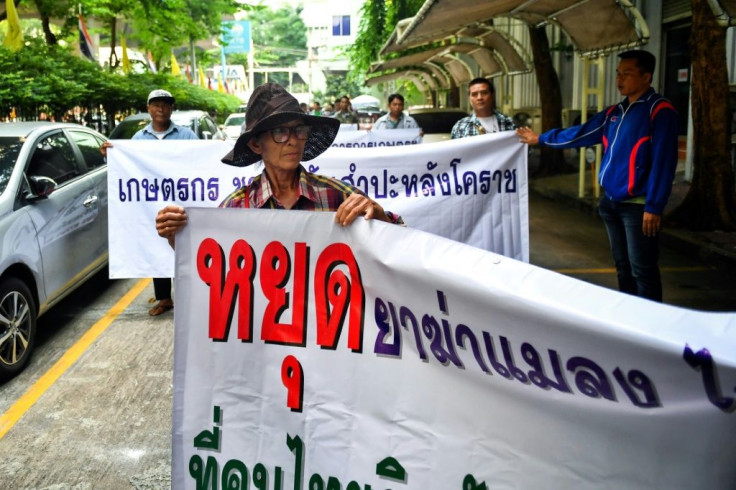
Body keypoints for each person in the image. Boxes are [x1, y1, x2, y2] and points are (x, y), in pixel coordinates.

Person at [155, 82, 403, 251]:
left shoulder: (337, 194)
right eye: (280, 132)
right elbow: (208, 263)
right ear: (255, 144)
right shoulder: (235, 208)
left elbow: (400, 238)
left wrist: (378, 215)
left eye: (299, 130)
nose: (293, 140)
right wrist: (177, 236)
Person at [516, 50, 678, 302]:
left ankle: (650, 328)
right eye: (618, 74)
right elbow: (580, 133)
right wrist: (541, 138)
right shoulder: (614, 112)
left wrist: (654, 206)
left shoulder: (659, 110)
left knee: (642, 270)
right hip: (611, 202)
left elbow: (664, 161)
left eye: (627, 74)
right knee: (623, 267)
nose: (620, 79)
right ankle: (629, 319)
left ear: (646, 77)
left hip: (638, 207)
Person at [102, 88, 198, 316]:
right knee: (156, 244)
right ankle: (164, 298)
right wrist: (111, 154)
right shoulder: (138, 139)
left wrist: (219, 148)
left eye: (165, 104)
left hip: (181, 198)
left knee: (182, 246)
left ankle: (189, 298)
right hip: (152, 201)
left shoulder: (186, 136)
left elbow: (201, 160)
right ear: (148, 109)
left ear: (171, 108)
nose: (161, 108)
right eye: (156, 104)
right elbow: (128, 166)